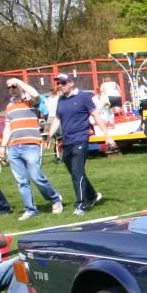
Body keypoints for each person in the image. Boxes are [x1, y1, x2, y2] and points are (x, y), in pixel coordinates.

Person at [44, 73, 116, 216]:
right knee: (75, 172)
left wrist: (108, 137)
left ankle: (81, 204)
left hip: (81, 139)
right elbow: (58, 118)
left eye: (63, 83)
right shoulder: (61, 100)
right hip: (67, 141)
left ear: (71, 83)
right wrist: (49, 134)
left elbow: (96, 116)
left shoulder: (83, 97)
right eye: (58, 83)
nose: (60, 86)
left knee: (77, 173)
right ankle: (93, 195)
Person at [0, 78, 63, 220]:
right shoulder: (10, 106)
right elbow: (8, 127)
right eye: (10, 87)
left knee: (36, 176)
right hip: (14, 147)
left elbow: (35, 94)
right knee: (21, 181)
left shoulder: (31, 101)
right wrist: (3, 146)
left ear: (21, 87)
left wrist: (18, 82)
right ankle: (30, 209)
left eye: (14, 87)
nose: (12, 89)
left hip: (31, 144)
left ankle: (55, 199)